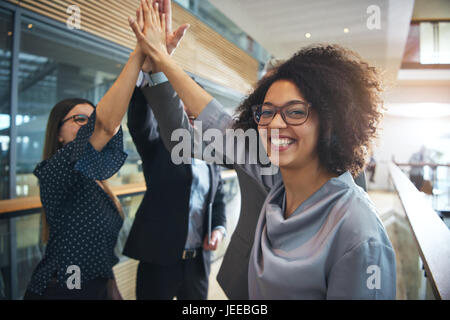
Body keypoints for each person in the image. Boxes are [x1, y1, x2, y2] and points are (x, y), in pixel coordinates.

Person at [128, 4, 397, 299]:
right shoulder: (278, 185)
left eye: (295, 112)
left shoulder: (359, 236)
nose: (275, 124)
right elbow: (217, 122)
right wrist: (162, 61)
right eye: (267, 111)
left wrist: (163, 60)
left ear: (332, 121)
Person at [22, 10, 151, 299]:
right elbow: (105, 125)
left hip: (93, 286)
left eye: (90, 120)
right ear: (59, 132)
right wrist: (140, 53)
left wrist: (111, 290)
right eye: (80, 120)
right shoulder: (53, 172)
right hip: (62, 287)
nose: (87, 127)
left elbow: (101, 253)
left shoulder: (97, 180)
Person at [123, 73, 227, 300]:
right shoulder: (158, 143)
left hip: (197, 262)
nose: (189, 109)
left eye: (194, 103)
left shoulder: (210, 152)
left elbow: (218, 199)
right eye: (182, 101)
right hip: (158, 259)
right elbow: (139, 124)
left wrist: (218, 229)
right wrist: (148, 77)